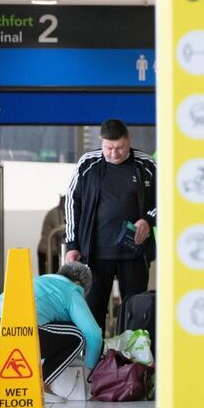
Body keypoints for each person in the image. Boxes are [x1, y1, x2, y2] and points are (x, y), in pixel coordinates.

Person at [65, 119, 156, 333]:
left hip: (134, 254)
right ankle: (95, 363)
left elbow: (167, 198)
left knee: (135, 314)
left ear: (128, 141)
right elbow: (72, 202)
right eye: (108, 148)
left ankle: (132, 364)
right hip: (95, 254)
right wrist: (72, 244)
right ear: (101, 142)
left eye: (120, 147)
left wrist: (148, 219)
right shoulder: (87, 163)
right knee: (92, 312)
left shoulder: (147, 164)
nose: (114, 153)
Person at [0, 262, 102, 401]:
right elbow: (93, 335)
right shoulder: (71, 289)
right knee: (77, 336)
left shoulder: (37, 281)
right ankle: (41, 386)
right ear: (77, 283)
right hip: (16, 331)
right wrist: (90, 370)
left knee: (8, 333)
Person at [37, 195, 66, 275]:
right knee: (46, 274)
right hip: (46, 249)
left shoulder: (61, 212)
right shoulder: (54, 213)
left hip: (53, 250)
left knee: (54, 273)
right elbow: (60, 229)